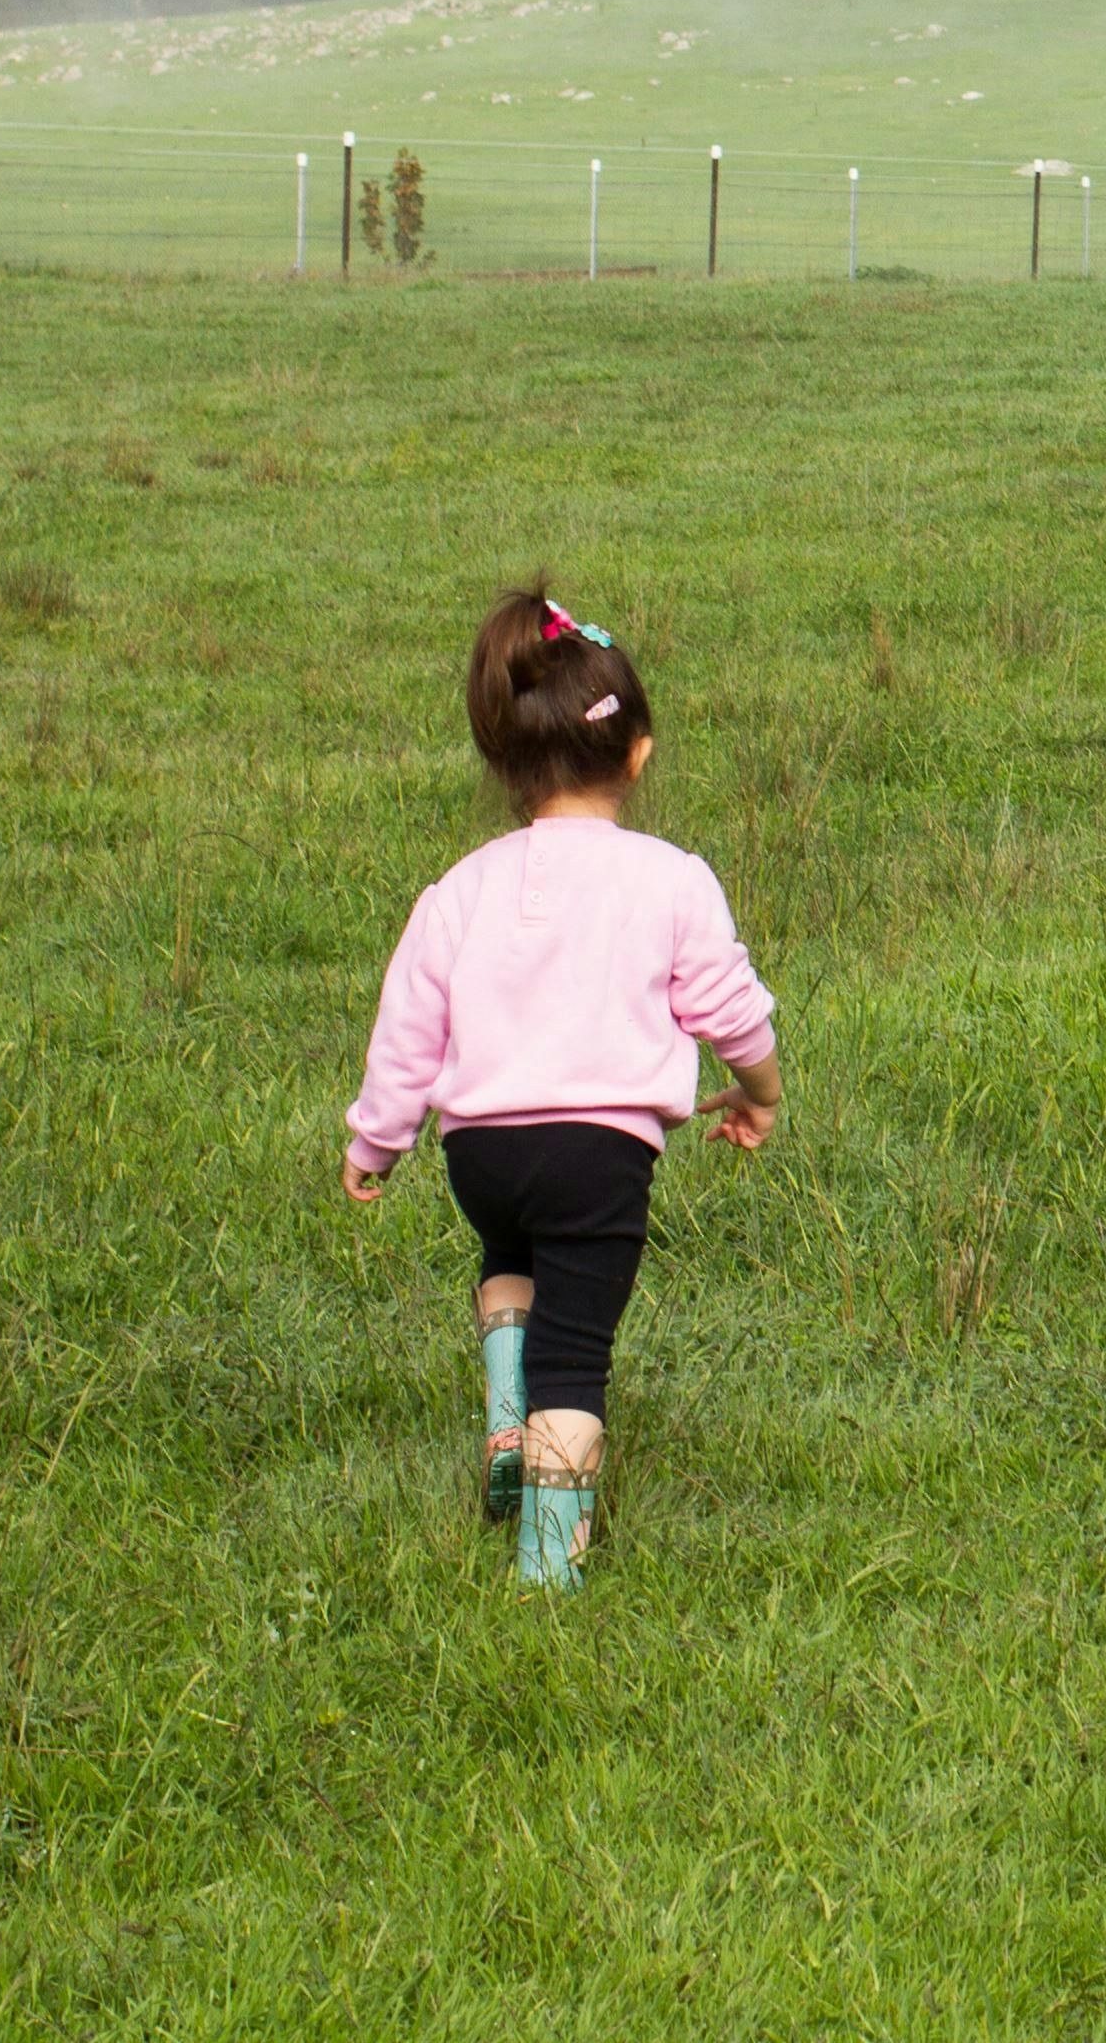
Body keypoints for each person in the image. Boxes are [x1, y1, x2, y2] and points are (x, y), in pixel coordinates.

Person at [342, 590, 785, 1587]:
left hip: (481, 1154)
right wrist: (760, 1089)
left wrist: (376, 1141)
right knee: (575, 1359)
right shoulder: (671, 880)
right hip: (597, 1160)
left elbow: (406, 1036)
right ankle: (548, 1575)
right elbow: (732, 1013)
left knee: (511, 1257)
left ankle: (506, 1426)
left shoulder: (459, 890)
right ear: (638, 752)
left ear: (506, 759)